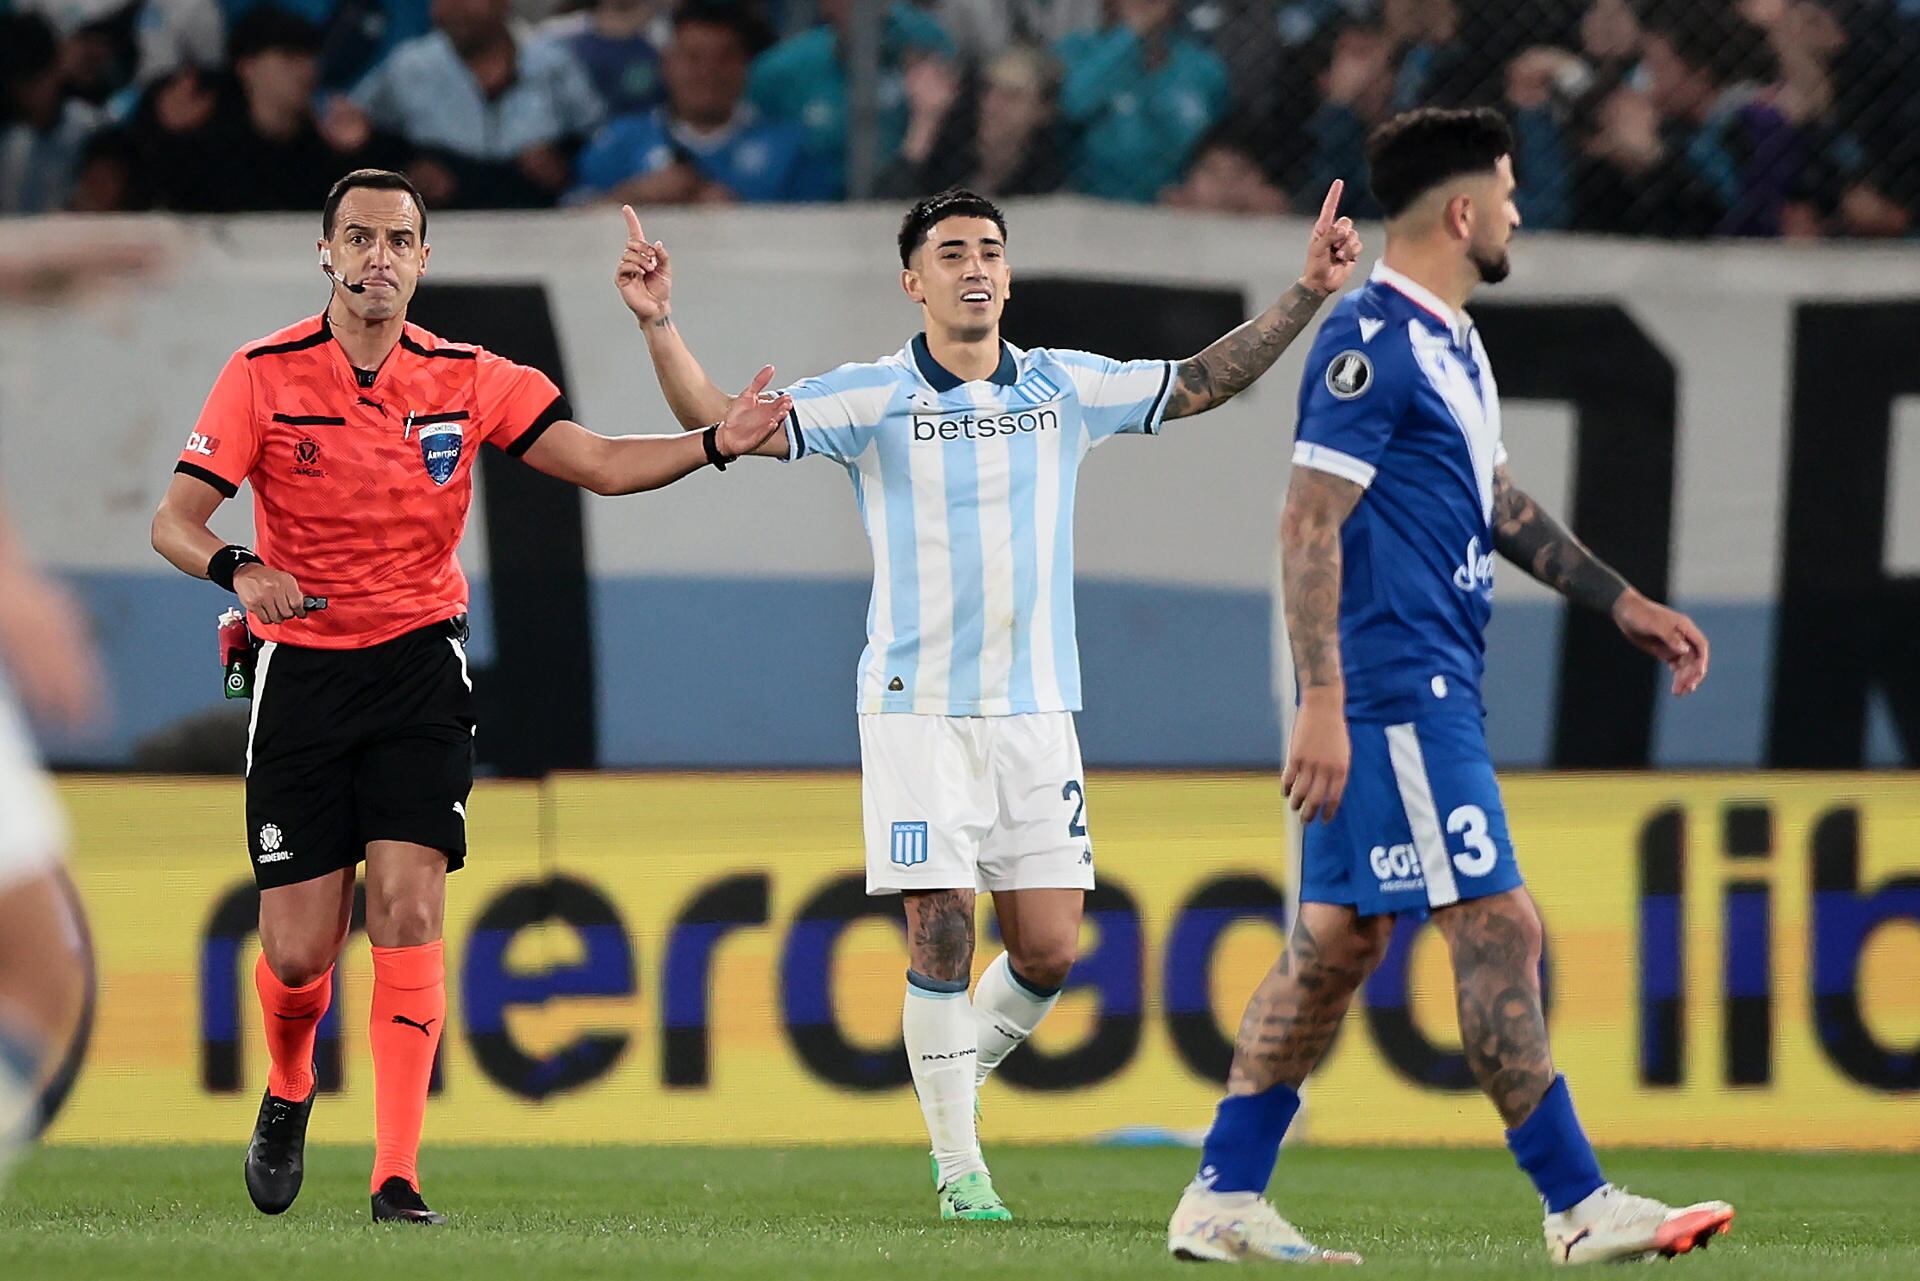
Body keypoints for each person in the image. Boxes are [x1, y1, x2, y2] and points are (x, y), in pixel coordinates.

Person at [617, 185, 1361, 1221]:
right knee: (942, 932)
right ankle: (960, 1168)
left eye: (990, 251)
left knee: (1049, 949)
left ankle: (949, 1081)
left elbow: (1201, 380)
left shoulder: (1063, 386)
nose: (975, 267)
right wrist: (660, 325)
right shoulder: (871, 396)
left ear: (1008, 277)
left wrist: (1308, 293)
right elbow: (719, 423)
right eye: (953, 252)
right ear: (913, 282)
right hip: (918, 708)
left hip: (1037, 710)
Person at [147, 168, 790, 1225]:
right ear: (325, 253)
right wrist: (240, 569)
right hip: (301, 671)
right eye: (360, 237)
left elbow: (599, 462)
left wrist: (717, 438)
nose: (379, 257)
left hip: (419, 669)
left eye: (399, 240)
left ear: (424, 259)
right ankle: (291, 1082)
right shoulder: (261, 373)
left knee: (408, 907)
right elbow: (175, 520)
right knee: (299, 954)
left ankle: (396, 1175)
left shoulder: (470, 375)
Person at [1165, 108, 1733, 1266]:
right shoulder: (1368, 339)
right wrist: (1324, 701)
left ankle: (1222, 1194)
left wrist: (1618, 600)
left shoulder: (1454, 342)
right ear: (1464, 212)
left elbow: (1497, 501)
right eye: (1510, 194)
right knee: (1497, 923)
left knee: (1337, 943)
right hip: (1395, 687)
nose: (1521, 213)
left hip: (1424, 683)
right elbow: (1307, 521)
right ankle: (1577, 1202)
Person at [342, 0, 604, 208]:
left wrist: (563, 166)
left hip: (538, 218)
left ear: (503, 3)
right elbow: (360, 133)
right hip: (442, 220)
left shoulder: (552, 62)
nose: (454, 8)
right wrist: (405, 171)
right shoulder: (410, 66)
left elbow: (598, 139)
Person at [569, 4, 820, 207]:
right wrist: (634, 195)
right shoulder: (619, 141)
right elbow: (566, 217)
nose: (708, 73)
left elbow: (819, 226)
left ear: (745, 66)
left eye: (724, 58)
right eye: (693, 58)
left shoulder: (791, 147)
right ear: (667, 64)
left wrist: (741, 213)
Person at [1054, 0, 1231, 203]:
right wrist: (1131, 34)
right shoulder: (1075, 49)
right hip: (1091, 204)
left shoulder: (1205, 68)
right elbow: (1072, 104)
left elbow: (1220, 145)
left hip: (1176, 208)